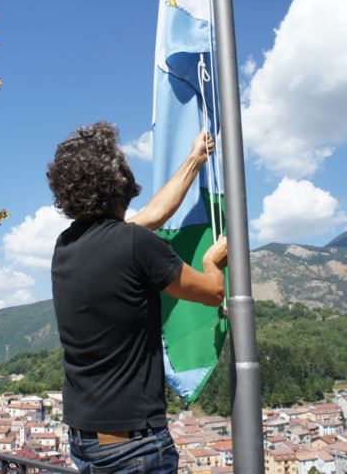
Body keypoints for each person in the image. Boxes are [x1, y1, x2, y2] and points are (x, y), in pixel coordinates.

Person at [47, 121, 227, 473]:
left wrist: (194, 159)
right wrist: (210, 261)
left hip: (86, 441)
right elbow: (213, 293)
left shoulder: (66, 246)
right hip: (134, 446)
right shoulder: (133, 244)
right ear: (120, 183)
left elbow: (154, 215)